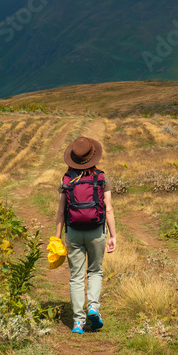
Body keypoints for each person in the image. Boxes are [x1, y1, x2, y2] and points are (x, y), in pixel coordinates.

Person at [55, 136, 117, 334]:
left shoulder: (66, 180)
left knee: (76, 277)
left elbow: (60, 211)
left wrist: (57, 238)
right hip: (96, 231)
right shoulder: (101, 178)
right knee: (95, 271)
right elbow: (108, 210)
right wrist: (113, 235)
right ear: (93, 156)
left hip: (73, 232)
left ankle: (78, 322)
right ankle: (93, 307)